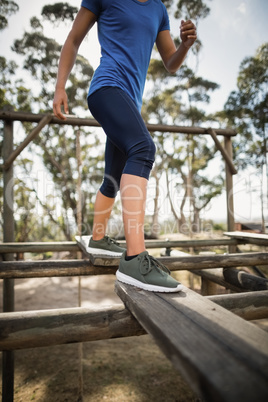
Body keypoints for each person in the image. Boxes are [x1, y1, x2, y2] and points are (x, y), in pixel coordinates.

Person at [53, 0, 197, 292]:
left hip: (129, 102)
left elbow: (170, 62)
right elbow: (73, 38)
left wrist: (184, 45)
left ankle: (98, 237)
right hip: (107, 88)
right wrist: (60, 86)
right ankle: (134, 258)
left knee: (114, 177)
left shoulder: (158, 9)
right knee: (143, 149)